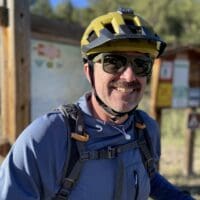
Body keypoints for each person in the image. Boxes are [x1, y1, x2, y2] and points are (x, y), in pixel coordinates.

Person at [0, 8, 195, 200]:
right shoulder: (47, 138)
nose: (129, 76)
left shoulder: (145, 130)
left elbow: (149, 176)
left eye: (141, 64)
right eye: (113, 62)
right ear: (89, 71)